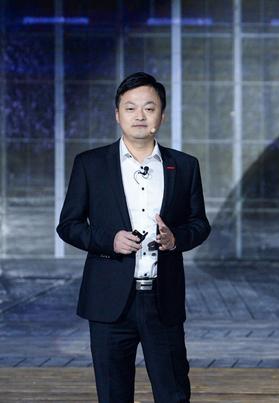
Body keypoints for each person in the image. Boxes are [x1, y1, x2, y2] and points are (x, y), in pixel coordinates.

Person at [57, 72, 211, 402]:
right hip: (109, 301)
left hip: (162, 299)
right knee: (113, 395)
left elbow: (200, 224)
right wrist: (109, 240)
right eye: (130, 108)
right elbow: (68, 225)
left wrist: (175, 239)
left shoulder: (184, 166)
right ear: (117, 114)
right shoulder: (91, 164)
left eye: (149, 108)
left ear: (162, 115)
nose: (140, 115)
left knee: (173, 394)